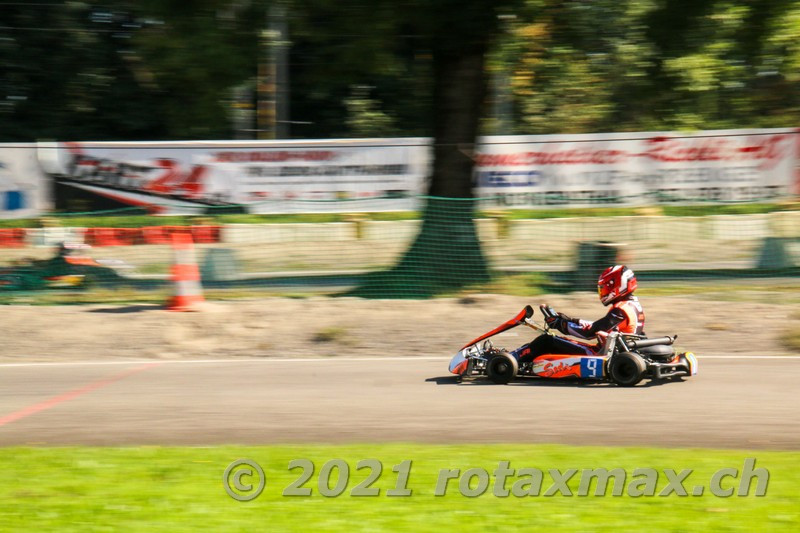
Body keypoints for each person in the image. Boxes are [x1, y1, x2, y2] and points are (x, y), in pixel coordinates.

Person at [516, 265, 645, 361]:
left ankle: (511, 360)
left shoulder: (620, 310)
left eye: (605, 288)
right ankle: (517, 358)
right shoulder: (632, 306)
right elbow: (598, 326)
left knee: (547, 341)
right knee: (546, 343)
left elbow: (589, 332)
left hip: (601, 355)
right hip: (613, 352)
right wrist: (570, 320)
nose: (603, 292)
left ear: (617, 286)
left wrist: (561, 324)